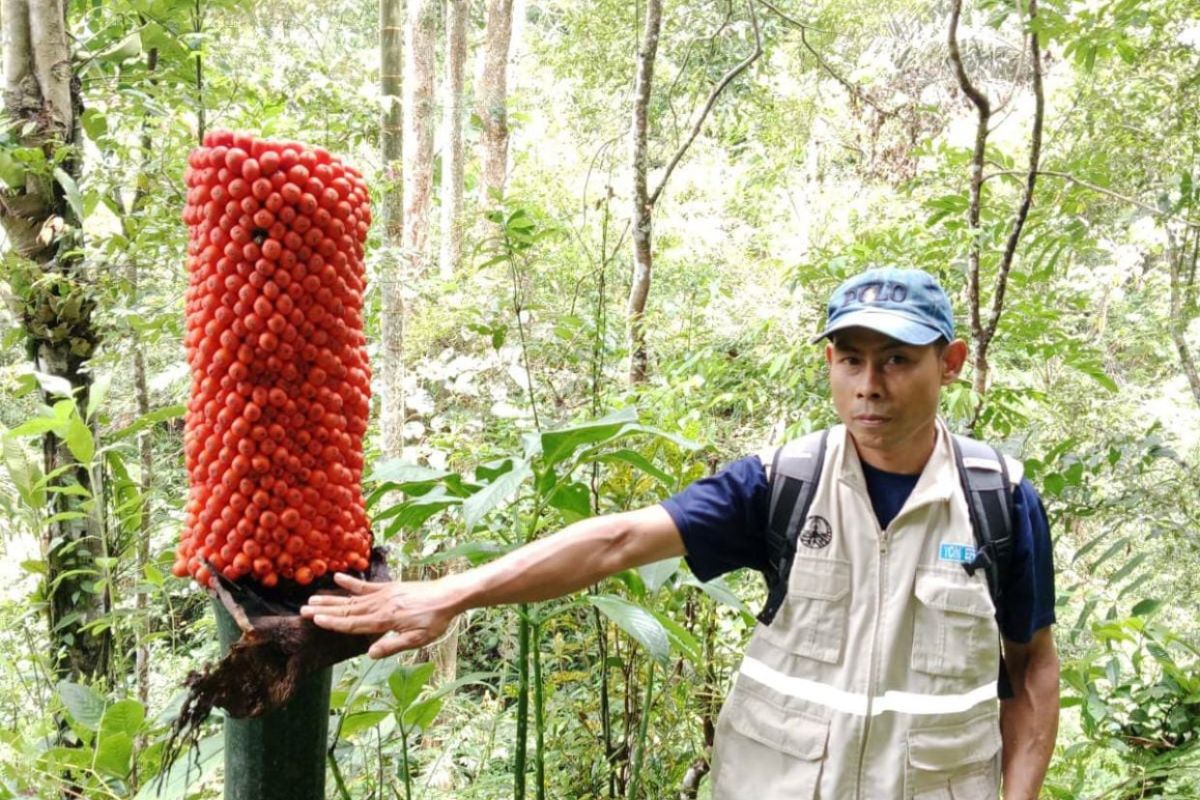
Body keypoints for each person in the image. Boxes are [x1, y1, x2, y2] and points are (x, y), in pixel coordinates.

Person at [302, 267, 1060, 799]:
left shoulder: (997, 500)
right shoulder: (780, 483)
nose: (870, 384)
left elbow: (1030, 672)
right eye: (852, 359)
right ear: (829, 362)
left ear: (950, 363)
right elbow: (620, 540)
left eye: (897, 360)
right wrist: (453, 593)